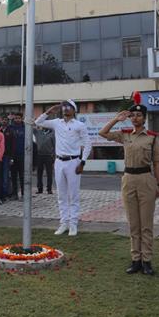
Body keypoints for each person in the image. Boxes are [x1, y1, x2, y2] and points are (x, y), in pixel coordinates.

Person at [98, 92, 159, 275]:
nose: (135, 118)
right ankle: (136, 260)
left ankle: (147, 261)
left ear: (144, 118)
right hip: (128, 179)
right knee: (133, 224)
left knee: (146, 225)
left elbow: (157, 163)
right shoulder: (124, 134)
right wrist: (116, 119)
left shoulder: (152, 137)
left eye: (139, 115)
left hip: (146, 180)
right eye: (133, 115)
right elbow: (103, 133)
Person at [35, 99, 91, 236]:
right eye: (64, 106)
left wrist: (82, 162)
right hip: (59, 162)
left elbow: (88, 144)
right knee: (61, 195)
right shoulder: (56, 123)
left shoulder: (79, 125)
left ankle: (73, 224)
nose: (65, 109)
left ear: (74, 110)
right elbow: (38, 123)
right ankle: (63, 223)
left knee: (73, 195)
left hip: (73, 162)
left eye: (69, 106)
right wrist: (48, 112)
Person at [34, 125, 55, 194]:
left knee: (49, 173)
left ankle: (49, 189)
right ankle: (40, 189)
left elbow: (55, 145)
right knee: (39, 173)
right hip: (39, 155)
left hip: (49, 156)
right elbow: (30, 127)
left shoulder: (52, 134)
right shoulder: (38, 132)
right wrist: (35, 123)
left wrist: (54, 156)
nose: (44, 126)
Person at [9, 111, 25, 200]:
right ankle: (14, 194)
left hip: (23, 155)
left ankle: (23, 194)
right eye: (15, 118)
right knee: (13, 176)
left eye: (18, 118)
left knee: (22, 176)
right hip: (13, 156)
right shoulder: (10, 128)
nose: (17, 120)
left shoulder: (25, 128)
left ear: (21, 118)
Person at [0, 114, 12, 200]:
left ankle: (5, 194)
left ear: (8, 122)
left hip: (7, 156)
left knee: (5, 176)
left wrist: (12, 157)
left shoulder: (10, 130)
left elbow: (13, 145)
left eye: (6, 120)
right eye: (3, 120)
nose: (4, 121)